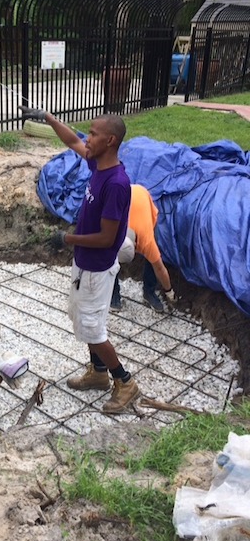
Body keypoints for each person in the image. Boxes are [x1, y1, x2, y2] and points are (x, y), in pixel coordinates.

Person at [19, 105, 140, 413]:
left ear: (110, 140)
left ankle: (124, 382)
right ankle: (99, 373)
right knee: (83, 319)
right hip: (84, 263)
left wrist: (67, 238)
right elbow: (72, 141)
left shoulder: (115, 183)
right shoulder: (97, 164)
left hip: (97, 269)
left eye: (95, 134)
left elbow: (107, 238)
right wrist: (48, 118)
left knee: (93, 330)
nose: (88, 138)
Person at [112, 184, 176, 312]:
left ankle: (149, 292)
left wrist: (169, 292)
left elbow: (159, 268)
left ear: (136, 245)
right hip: (122, 198)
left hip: (141, 195)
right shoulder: (110, 229)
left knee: (152, 260)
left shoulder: (147, 241)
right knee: (110, 263)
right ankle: (113, 296)